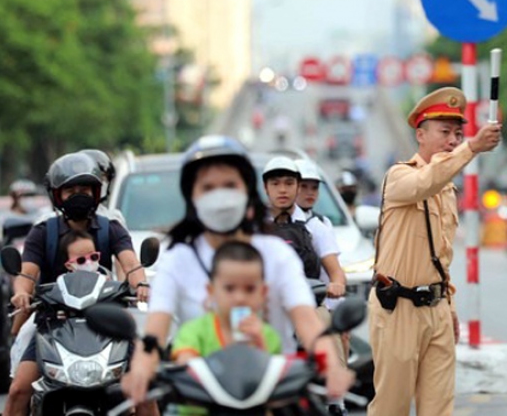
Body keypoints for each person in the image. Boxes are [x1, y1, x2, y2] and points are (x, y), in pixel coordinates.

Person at [121, 135, 352, 407]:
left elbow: (309, 324)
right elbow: (154, 334)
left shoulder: (277, 254)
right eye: (208, 187)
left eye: (229, 185)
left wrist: (329, 364)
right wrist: (142, 368)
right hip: (198, 402)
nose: (220, 195)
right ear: (192, 194)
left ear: (246, 191)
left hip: (272, 398)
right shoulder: (178, 258)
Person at [368, 87, 502, 416]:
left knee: (439, 408)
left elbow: (441, 256)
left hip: (437, 309)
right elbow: (425, 182)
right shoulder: (398, 176)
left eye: (458, 134)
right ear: (420, 135)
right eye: (444, 132)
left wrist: (450, 306)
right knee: (392, 407)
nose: (453, 140)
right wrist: (472, 147)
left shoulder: (447, 190)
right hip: (397, 307)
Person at [4, 152, 150, 416]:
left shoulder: (112, 228)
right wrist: (21, 295)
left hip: (108, 325)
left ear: (97, 192)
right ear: (57, 195)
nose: (78, 194)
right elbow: (25, 276)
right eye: (70, 189)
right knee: (19, 390)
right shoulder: (42, 232)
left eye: (84, 188)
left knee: (145, 388)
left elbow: (131, 264)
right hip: (53, 325)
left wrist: (141, 285)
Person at [263, 156, 349, 415]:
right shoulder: (252, 227)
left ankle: (336, 401)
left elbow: (336, 272)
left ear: (297, 187)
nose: (282, 189)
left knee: (327, 332)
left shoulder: (316, 227)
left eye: (289, 183)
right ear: (265, 188)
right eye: (275, 183)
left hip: (308, 307)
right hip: (266, 309)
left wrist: (336, 285)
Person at [295, 159, 332, 226]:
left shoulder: (323, 222)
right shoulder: (277, 221)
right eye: (303, 186)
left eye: (315, 188)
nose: (310, 193)